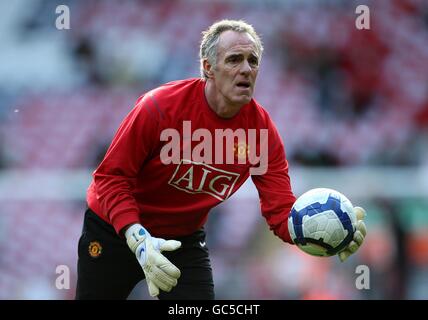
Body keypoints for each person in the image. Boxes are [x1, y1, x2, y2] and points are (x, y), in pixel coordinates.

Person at [75, 19, 367, 300]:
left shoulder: (261, 134)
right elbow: (110, 178)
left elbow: (280, 213)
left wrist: (324, 231)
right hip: (115, 230)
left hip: (181, 239)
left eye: (253, 61)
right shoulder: (159, 107)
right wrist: (137, 237)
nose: (246, 69)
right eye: (234, 59)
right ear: (208, 67)